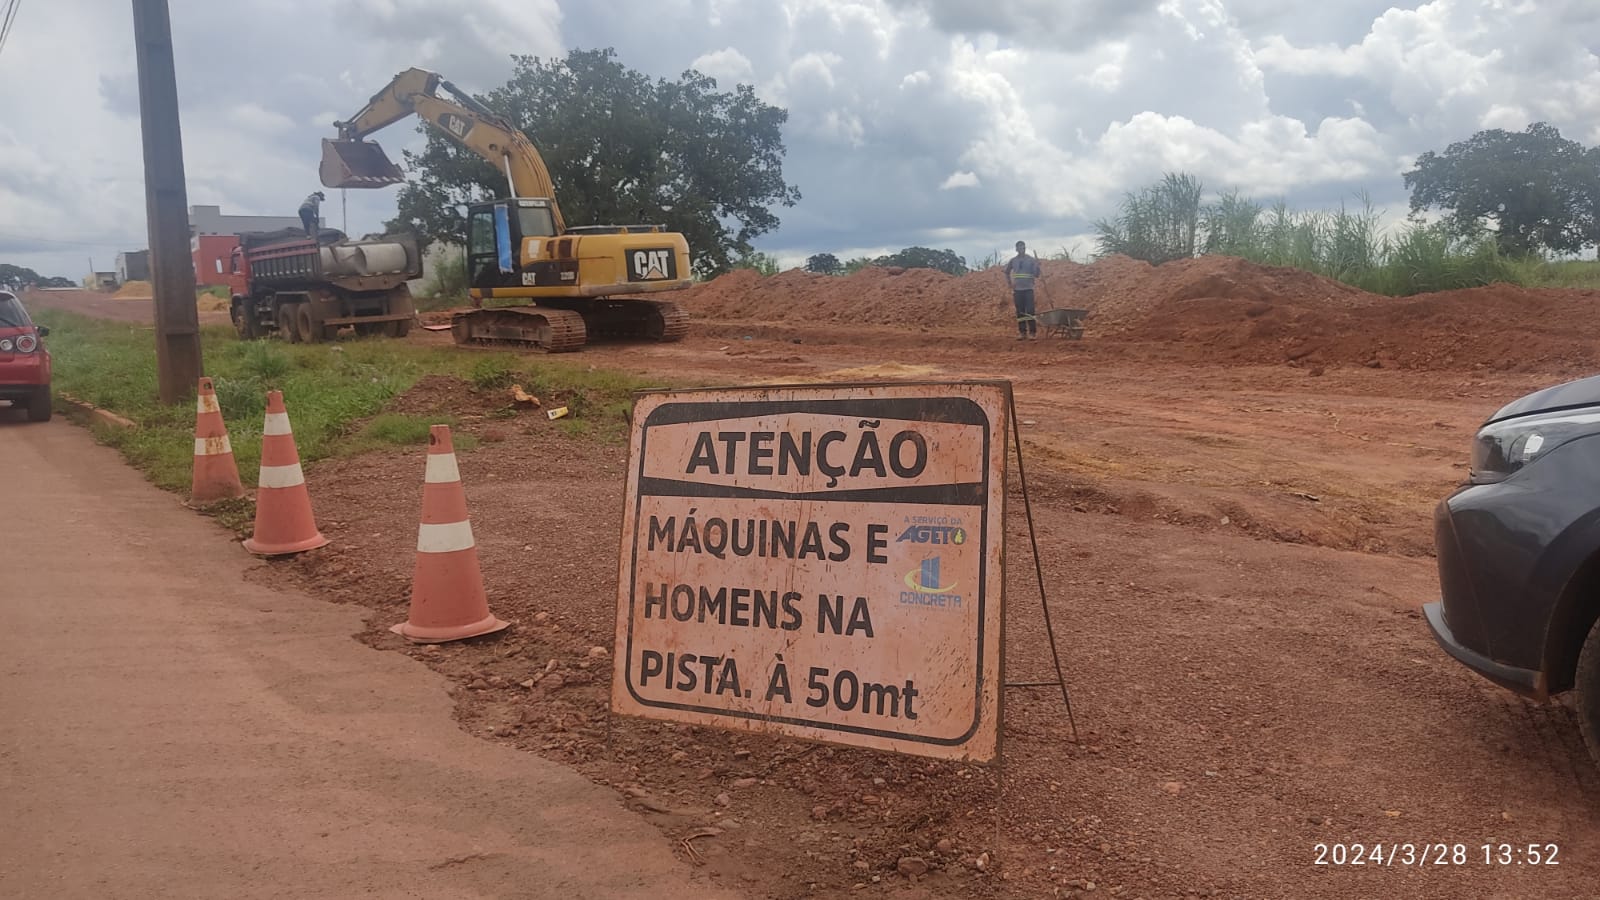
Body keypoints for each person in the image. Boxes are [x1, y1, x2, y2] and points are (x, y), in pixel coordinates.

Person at [1003, 240, 1041, 339]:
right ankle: (1022, 333)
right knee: (1020, 312)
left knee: (1030, 311)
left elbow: (1036, 275)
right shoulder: (1013, 261)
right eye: (1019, 248)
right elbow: (1006, 272)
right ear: (1016, 249)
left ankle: (1032, 333)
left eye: (1023, 248)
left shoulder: (1031, 260)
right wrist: (1010, 284)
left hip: (1028, 289)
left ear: (1025, 248)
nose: (1022, 250)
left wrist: (1037, 266)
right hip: (1018, 290)